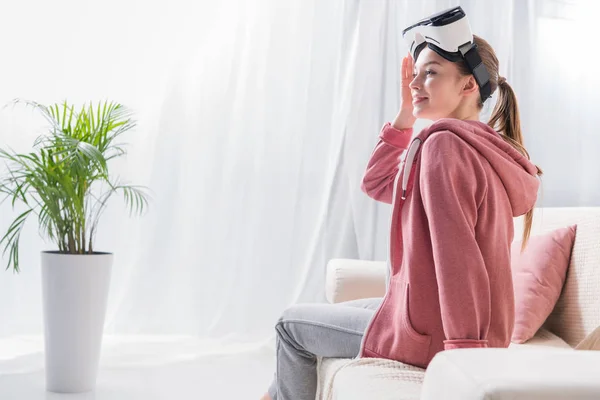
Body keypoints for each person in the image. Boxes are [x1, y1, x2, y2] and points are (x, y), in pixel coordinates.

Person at [260, 29, 543, 400]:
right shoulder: (477, 145)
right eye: (416, 73)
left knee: (289, 326)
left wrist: (466, 356)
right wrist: (405, 116)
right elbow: (378, 183)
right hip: (442, 321)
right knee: (345, 310)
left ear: (468, 85)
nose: (414, 82)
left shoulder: (445, 146)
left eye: (431, 72)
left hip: (441, 335)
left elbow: (457, 259)